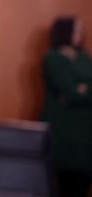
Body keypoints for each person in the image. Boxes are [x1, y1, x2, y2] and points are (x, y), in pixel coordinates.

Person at [40, 15, 92, 197]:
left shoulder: (84, 57)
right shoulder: (52, 58)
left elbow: (77, 93)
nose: (80, 33)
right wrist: (80, 88)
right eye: (75, 29)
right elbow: (71, 91)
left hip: (85, 137)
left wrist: (82, 89)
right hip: (61, 134)